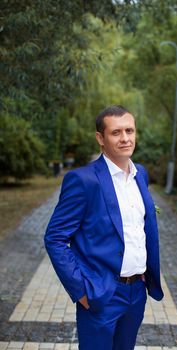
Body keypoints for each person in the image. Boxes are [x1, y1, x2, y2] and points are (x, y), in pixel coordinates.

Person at [44, 105, 164, 350]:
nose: (125, 138)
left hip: (137, 292)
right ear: (101, 138)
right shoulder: (83, 180)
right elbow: (55, 238)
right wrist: (81, 291)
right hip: (101, 293)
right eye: (116, 132)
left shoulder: (140, 174)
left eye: (129, 130)